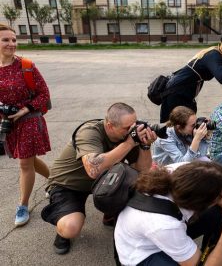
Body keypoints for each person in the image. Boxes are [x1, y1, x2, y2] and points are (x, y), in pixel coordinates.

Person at [41, 103, 157, 255]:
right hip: (69, 184)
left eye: (134, 125)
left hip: (103, 180)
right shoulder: (89, 132)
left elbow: (142, 171)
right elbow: (93, 170)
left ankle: (110, 213)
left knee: (137, 181)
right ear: (109, 125)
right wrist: (129, 143)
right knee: (70, 227)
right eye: (127, 128)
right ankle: (62, 231)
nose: (132, 130)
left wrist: (145, 146)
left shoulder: (129, 136)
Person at [115, 161, 222, 266]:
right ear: (200, 204)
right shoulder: (165, 225)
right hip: (140, 253)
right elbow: (165, 226)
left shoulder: (179, 173)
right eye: (221, 194)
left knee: (219, 213)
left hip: (147, 230)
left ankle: (211, 255)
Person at [0, 23, 51, 227]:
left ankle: (23, 205)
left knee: (24, 163)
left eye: (14, 39)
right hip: (8, 124)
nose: (11, 44)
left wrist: (25, 109)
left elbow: (44, 94)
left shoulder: (26, 66)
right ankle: (57, 181)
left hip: (28, 120)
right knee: (28, 160)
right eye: (6, 40)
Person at [160, 36, 222, 123]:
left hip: (186, 93)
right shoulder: (214, 55)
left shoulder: (220, 59)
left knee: (187, 125)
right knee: (178, 126)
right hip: (177, 91)